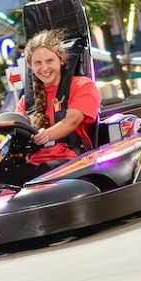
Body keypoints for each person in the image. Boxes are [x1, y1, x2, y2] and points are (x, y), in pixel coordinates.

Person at [13, 30, 101, 181]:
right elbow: (16, 131)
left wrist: (46, 135)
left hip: (73, 163)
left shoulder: (82, 86)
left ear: (60, 60)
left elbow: (71, 121)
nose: (44, 68)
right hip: (35, 165)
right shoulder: (26, 102)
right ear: (30, 66)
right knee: (1, 176)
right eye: (38, 63)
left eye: (49, 61)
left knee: (35, 176)